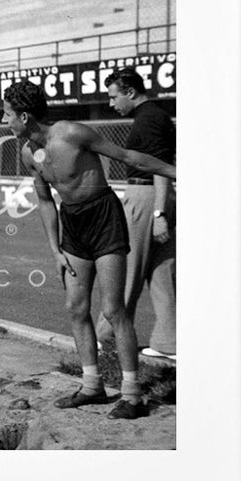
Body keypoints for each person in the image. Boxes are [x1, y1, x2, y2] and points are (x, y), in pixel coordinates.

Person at [1, 80, 176, 420]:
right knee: (75, 307)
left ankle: (132, 394)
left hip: (104, 217)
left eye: (7, 115)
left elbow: (127, 156)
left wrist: (176, 172)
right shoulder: (27, 153)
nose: (5, 122)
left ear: (24, 115)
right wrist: (55, 250)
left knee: (113, 309)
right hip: (74, 226)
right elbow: (44, 201)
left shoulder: (70, 133)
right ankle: (92, 386)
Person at [95, 68, 176, 360]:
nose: (111, 103)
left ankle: (107, 337)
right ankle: (170, 342)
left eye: (114, 96)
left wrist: (157, 212)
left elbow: (159, 165)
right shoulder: (154, 115)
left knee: (125, 268)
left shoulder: (149, 119)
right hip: (158, 197)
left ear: (130, 92)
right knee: (162, 272)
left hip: (146, 197)